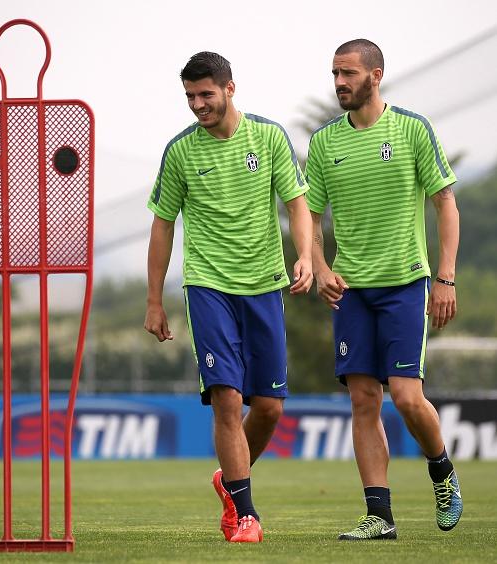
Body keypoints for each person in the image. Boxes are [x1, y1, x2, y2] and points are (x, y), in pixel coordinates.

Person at [144, 51, 313, 543]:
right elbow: (162, 225)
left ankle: (229, 481)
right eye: (190, 97)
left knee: (269, 408)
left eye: (206, 94)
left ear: (230, 88)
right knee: (226, 398)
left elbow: (297, 204)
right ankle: (246, 515)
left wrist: (304, 255)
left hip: (264, 285)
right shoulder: (179, 152)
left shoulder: (269, 136)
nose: (198, 104)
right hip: (208, 286)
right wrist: (154, 299)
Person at [305, 38, 462, 540]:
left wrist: (445, 277)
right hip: (350, 290)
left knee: (407, 397)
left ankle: (442, 472)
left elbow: (446, 205)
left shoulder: (413, 129)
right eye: (334, 74)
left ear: (375, 75)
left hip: (405, 286)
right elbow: (307, 212)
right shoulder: (326, 143)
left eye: (348, 73)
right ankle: (379, 516)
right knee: (363, 400)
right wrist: (320, 265)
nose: (338, 83)